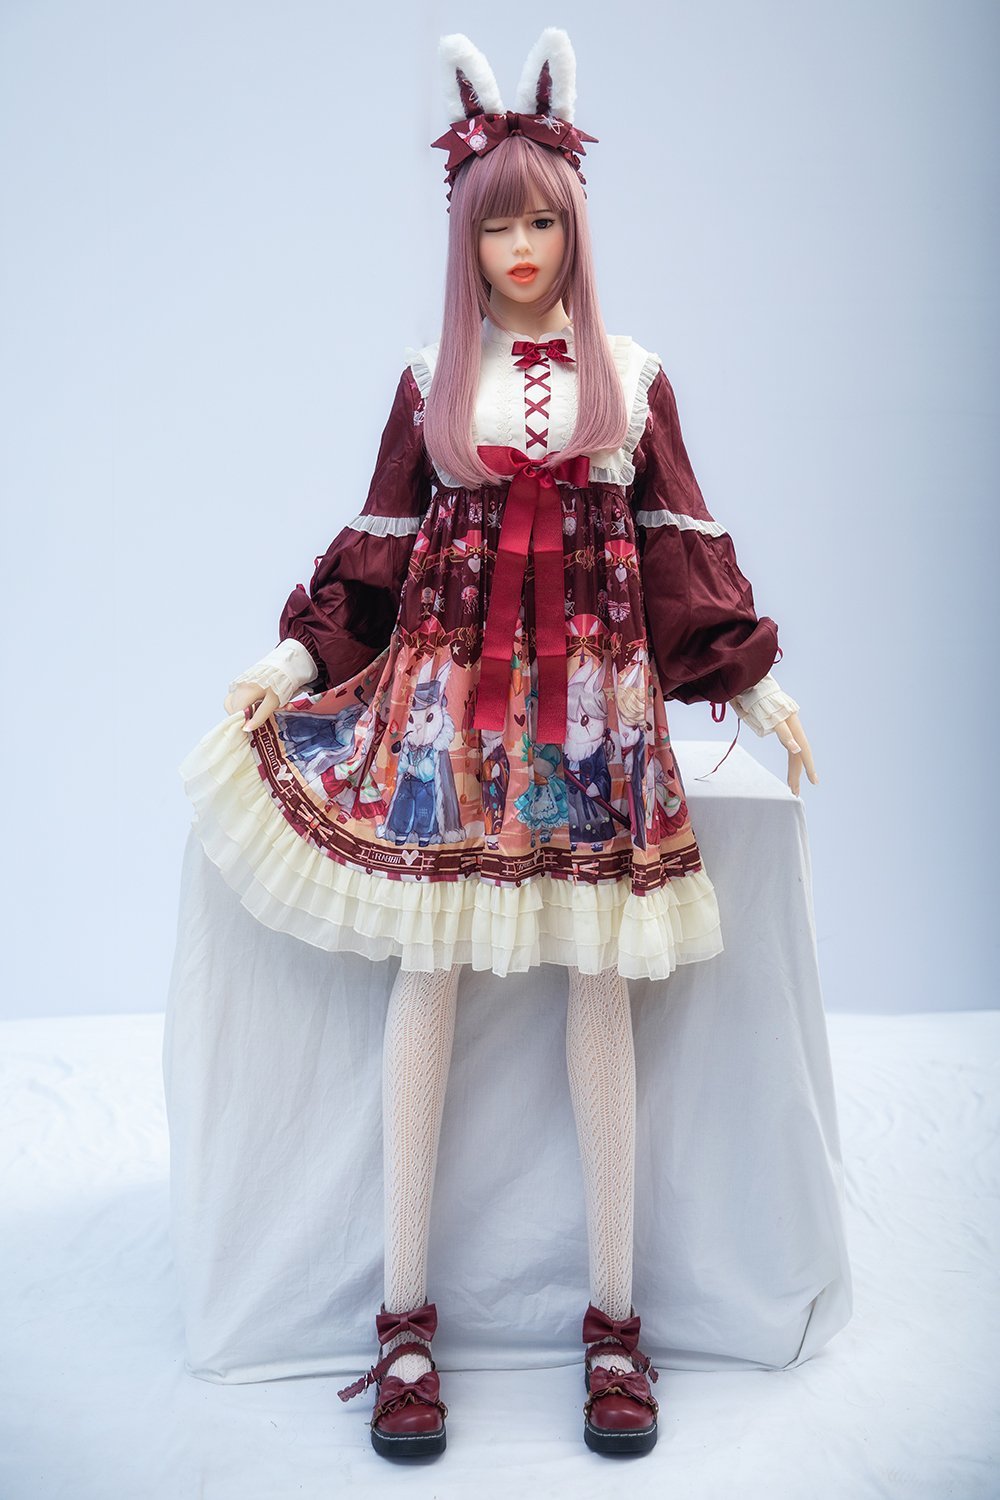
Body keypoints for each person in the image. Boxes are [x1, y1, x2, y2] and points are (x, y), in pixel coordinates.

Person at [179, 26, 818, 1461]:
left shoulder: (633, 380)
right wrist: (293, 659)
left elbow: (678, 551)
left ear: (576, 227)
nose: (521, 250)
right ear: (462, 239)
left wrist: (753, 684)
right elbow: (377, 554)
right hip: (444, 722)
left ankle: (616, 1322)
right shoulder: (430, 380)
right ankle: (401, 1319)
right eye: (496, 226)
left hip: (593, 727)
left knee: (602, 992)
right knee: (429, 980)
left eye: (542, 223)